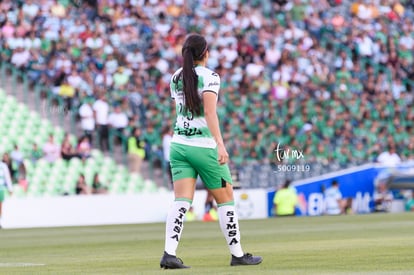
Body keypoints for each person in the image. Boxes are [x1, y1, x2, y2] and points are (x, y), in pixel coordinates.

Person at [160, 34, 262, 269]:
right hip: (203, 147)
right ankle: (237, 254)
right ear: (205, 53)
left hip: (179, 145)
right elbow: (209, 113)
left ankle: (169, 253)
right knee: (226, 200)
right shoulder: (210, 77)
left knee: (181, 201)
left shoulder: (175, 77)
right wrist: (220, 143)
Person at [0, 159, 13, 228]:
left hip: (0, 188)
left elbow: (7, 177)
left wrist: (10, 188)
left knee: (0, 206)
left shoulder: (3, 166)